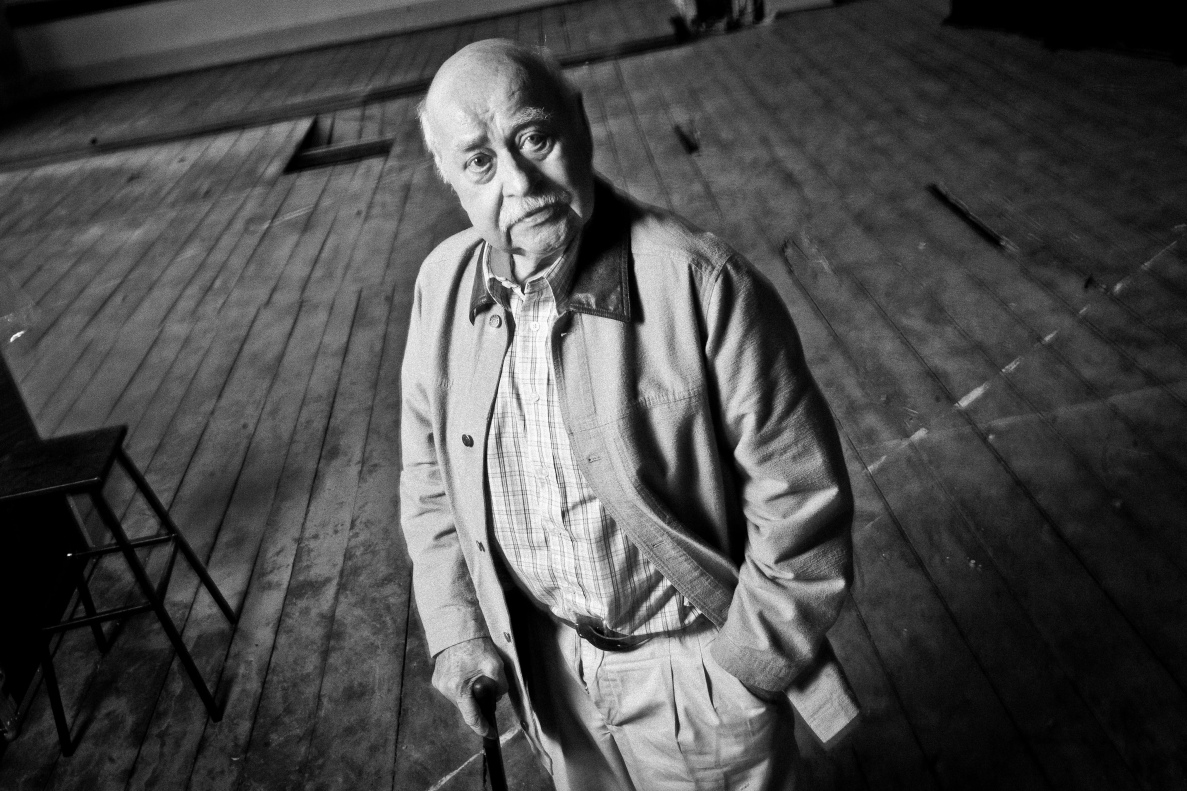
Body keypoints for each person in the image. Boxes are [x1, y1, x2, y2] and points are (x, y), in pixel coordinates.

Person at [400, 38, 858, 791]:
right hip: (545, 667)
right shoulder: (440, 286)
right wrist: (456, 630)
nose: (518, 183)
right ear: (448, 175)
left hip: (693, 676)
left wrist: (741, 672)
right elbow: (430, 479)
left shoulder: (701, 284)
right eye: (479, 162)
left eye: (534, 138)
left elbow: (800, 501)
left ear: (580, 124)